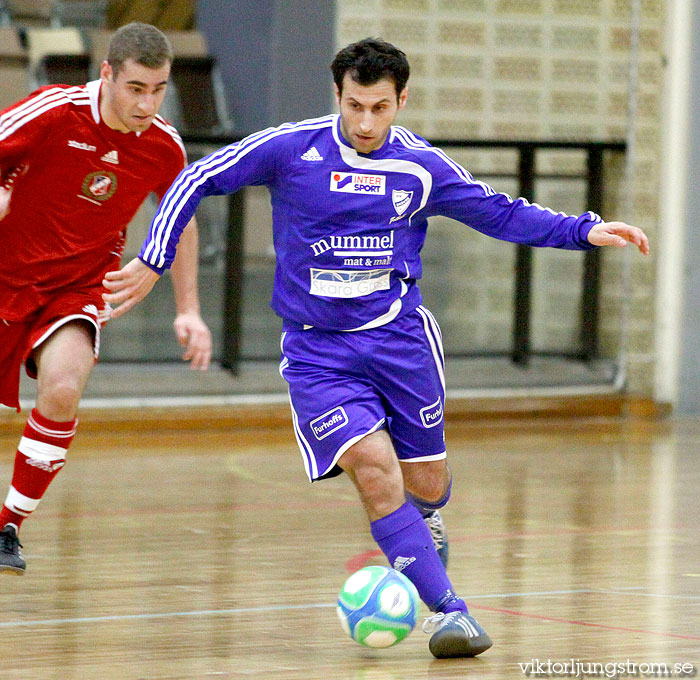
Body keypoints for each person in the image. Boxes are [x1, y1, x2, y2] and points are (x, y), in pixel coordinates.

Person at [102, 38, 649, 658]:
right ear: (336, 95)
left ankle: (427, 516)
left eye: (380, 108)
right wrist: (152, 258)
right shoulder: (292, 149)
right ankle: (451, 615)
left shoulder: (420, 167)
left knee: (426, 480)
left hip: (400, 342)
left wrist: (583, 229)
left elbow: (497, 213)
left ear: (401, 102)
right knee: (373, 467)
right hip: (318, 352)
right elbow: (196, 176)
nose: (365, 123)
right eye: (355, 106)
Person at [0, 22, 211, 575]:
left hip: (76, 287)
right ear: (108, 74)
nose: (148, 103)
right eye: (137, 88)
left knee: (64, 387)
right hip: (5, 273)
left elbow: (181, 220)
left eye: (159, 89)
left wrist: (187, 308)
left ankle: (8, 527)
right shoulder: (52, 111)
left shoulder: (163, 145)